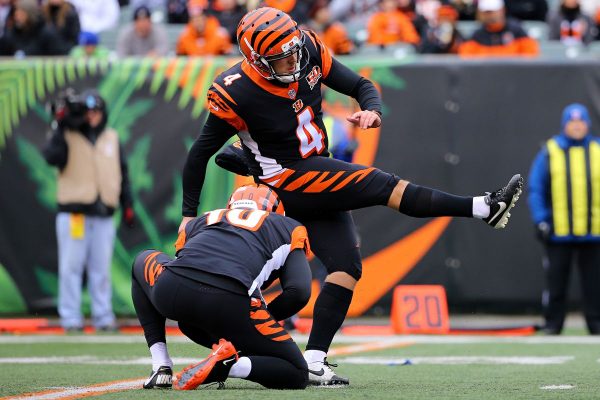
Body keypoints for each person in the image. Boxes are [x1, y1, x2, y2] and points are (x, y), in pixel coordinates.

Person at [180, 6, 523, 385]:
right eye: (281, 58)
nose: (293, 61)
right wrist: (187, 215)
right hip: (286, 177)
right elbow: (199, 153)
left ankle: (309, 358)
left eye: (294, 50)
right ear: (257, 61)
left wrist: (372, 110)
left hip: (316, 169)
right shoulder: (235, 90)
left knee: (346, 268)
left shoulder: (308, 47)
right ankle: (484, 207)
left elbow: (361, 86)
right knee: (383, 185)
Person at [133, 184, 312, 390]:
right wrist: (263, 320)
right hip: (231, 301)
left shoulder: (204, 219)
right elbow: (299, 291)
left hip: (175, 292)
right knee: (298, 372)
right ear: (276, 211)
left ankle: (161, 365)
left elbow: (185, 261)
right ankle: (231, 365)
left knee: (142, 260)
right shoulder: (287, 226)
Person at [43, 89, 134, 332]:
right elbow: (51, 157)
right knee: (71, 268)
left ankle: (103, 317)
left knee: (100, 269)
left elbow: (122, 173)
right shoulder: (67, 133)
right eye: (87, 110)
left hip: (104, 213)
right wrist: (60, 125)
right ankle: (71, 318)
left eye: (96, 110)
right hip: (75, 213)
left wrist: (128, 205)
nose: (92, 115)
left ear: (103, 113)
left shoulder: (111, 136)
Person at [527, 103, 600, 335]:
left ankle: (596, 323)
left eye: (581, 122)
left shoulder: (597, 150)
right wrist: (541, 219)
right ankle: (553, 323)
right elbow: (536, 189)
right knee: (556, 281)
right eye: (572, 122)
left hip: (594, 232)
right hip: (558, 232)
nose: (577, 126)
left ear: (587, 124)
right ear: (564, 125)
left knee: (595, 283)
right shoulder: (550, 151)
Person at [458, 0, 539, 57]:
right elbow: (466, 58)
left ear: (502, 10)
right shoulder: (477, 36)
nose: (489, 15)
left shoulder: (516, 31)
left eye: (492, 11)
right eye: (486, 12)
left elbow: (530, 55)